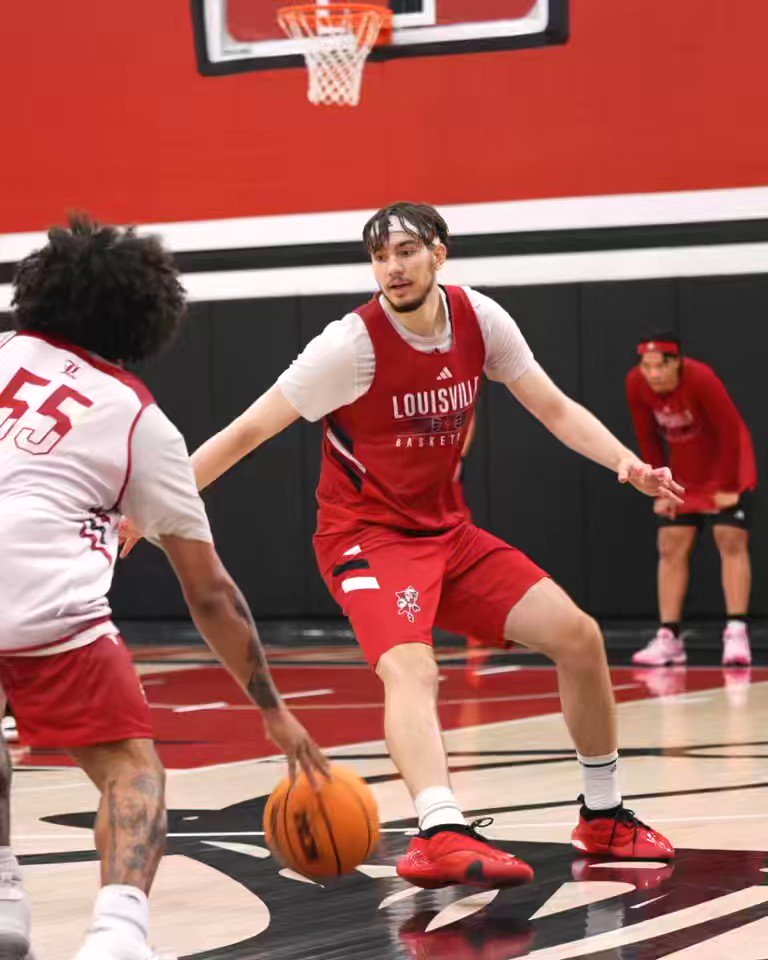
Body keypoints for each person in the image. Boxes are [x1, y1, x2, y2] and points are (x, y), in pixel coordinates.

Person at [123, 202, 682, 888]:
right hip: (364, 538)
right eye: (381, 257)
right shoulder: (348, 346)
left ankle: (602, 815)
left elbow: (554, 406)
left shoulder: (480, 320)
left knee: (579, 636)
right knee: (412, 670)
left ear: (439, 253)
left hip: (449, 534)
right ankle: (438, 827)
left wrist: (628, 464)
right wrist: (153, 509)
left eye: (407, 251)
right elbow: (244, 433)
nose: (393, 268)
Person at [0, 215, 327, 960]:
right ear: (145, 317)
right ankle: (117, 936)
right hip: (48, 607)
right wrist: (273, 711)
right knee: (130, 770)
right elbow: (209, 592)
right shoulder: (137, 417)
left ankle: (3, 896)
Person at [626, 334, 756, 667]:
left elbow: (730, 432)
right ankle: (669, 637)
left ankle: (737, 631)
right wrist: (657, 487)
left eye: (660, 367)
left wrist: (726, 485)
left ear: (677, 363)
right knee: (670, 542)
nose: (653, 374)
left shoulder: (701, 377)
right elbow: (647, 436)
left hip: (726, 464)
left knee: (729, 537)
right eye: (647, 367)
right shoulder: (636, 384)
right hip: (684, 470)